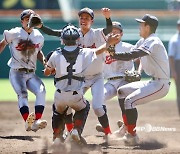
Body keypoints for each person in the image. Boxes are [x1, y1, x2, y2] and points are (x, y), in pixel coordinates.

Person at [37, 7, 113, 137]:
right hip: (80, 78)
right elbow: (53, 32)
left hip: (96, 77)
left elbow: (109, 30)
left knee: (97, 107)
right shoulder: (74, 33)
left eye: (87, 18)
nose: (83, 20)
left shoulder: (97, 33)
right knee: (68, 105)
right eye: (81, 18)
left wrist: (107, 18)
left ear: (92, 21)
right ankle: (71, 132)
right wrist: (41, 26)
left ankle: (108, 133)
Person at [108, 14, 170, 146]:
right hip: (152, 82)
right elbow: (135, 55)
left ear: (147, 27)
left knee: (129, 101)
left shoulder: (153, 41)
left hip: (160, 84)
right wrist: (138, 71)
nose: (139, 27)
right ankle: (126, 127)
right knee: (122, 91)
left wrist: (113, 53)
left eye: (141, 24)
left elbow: (134, 54)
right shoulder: (143, 41)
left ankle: (132, 135)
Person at [0, 9, 47, 132]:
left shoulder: (39, 36)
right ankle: (27, 122)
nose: (29, 21)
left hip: (31, 73)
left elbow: (38, 52)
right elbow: (3, 43)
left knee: (41, 91)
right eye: (27, 19)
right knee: (23, 94)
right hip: (16, 72)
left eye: (32, 18)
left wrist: (44, 62)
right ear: (22, 21)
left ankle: (36, 121)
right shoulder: (14, 33)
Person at [95, 21, 135, 136]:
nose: (113, 34)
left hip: (124, 80)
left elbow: (141, 57)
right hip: (110, 82)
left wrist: (137, 70)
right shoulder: (103, 49)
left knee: (124, 97)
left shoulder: (128, 47)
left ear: (121, 34)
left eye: (116, 31)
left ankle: (126, 127)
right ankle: (107, 128)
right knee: (98, 98)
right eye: (111, 32)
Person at [168, 19, 180, 117]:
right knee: (179, 90)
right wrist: (173, 71)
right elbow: (171, 56)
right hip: (178, 64)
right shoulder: (174, 39)